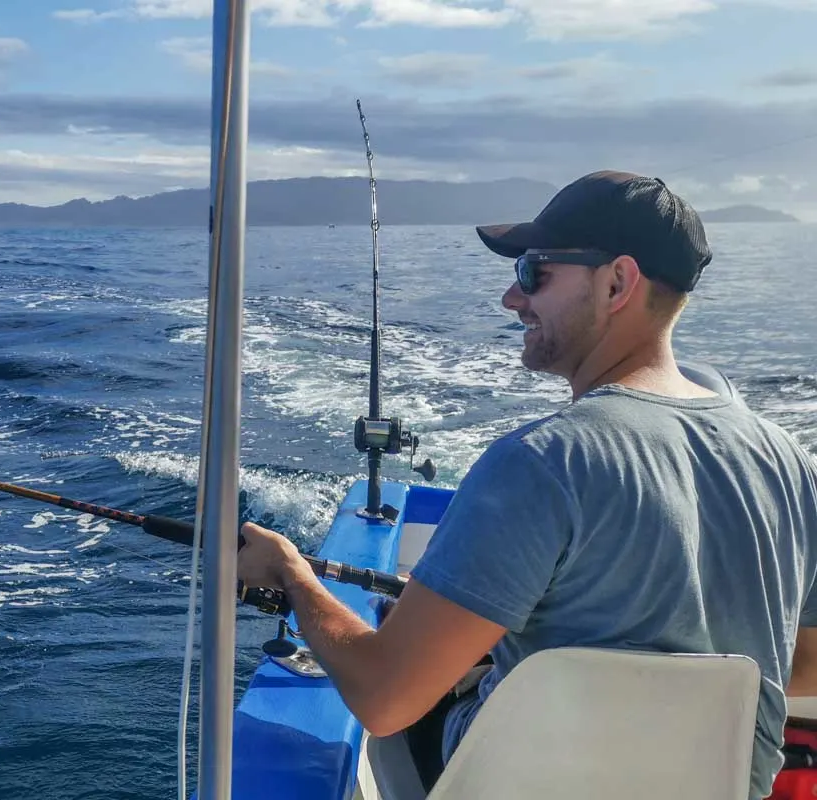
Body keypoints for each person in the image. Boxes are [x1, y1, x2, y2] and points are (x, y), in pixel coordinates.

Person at [236, 170, 817, 799]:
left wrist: (294, 577)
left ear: (617, 282)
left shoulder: (542, 462)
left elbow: (384, 697)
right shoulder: (790, 461)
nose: (512, 301)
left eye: (533, 272)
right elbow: (806, 666)